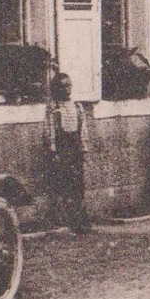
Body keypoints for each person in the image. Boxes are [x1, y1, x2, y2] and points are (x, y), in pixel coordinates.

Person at [45, 72, 91, 233]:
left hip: (75, 149)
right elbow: (50, 129)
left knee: (78, 184)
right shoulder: (53, 108)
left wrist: (84, 149)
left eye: (69, 85)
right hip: (62, 149)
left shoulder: (77, 107)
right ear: (56, 89)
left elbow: (83, 129)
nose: (67, 89)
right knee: (62, 185)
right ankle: (64, 219)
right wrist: (53, 150)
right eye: (63, 86)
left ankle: (81, 220)